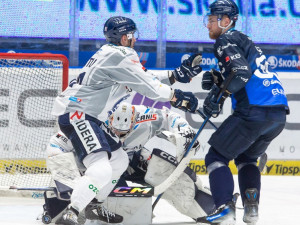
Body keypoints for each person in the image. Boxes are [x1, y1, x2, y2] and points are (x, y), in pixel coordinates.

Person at [51, 16, 201, 225]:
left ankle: (95, 204)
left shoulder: (112, 55)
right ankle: (71, 213)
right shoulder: (122, 55)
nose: (134, 40)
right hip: (79, 114)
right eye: (132, 35)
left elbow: (142, 78)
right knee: (101, 168)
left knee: (119, 159)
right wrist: (176, 96)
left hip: (88, 116)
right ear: (124, 37)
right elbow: (149, 85)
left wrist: (175, 76)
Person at [197, 1, 289, 225]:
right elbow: (241, 73)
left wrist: (219, 95)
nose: (207, 24)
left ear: (226, 21)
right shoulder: (244, 41)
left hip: (254, 111)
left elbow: (240, 73)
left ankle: (225, 209)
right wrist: (221, 82)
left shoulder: (225, 39)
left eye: (212, 19)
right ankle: (251, 209)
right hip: (277, 113)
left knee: (216, 157)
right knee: (247, 158)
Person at [46, 102, 216, 223]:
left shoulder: (145, 116)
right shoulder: (98, 117)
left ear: (134, 122)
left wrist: (183, 129)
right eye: (116, 131)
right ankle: (77, 208)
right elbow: (62, 141)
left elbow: (168, 116)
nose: (120, 136)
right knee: (93, 182)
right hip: (99, 161)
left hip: (130, 158)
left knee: (163, 169)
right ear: (110, 119)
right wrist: (66, 173)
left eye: (123, 133)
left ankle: (207, 208)